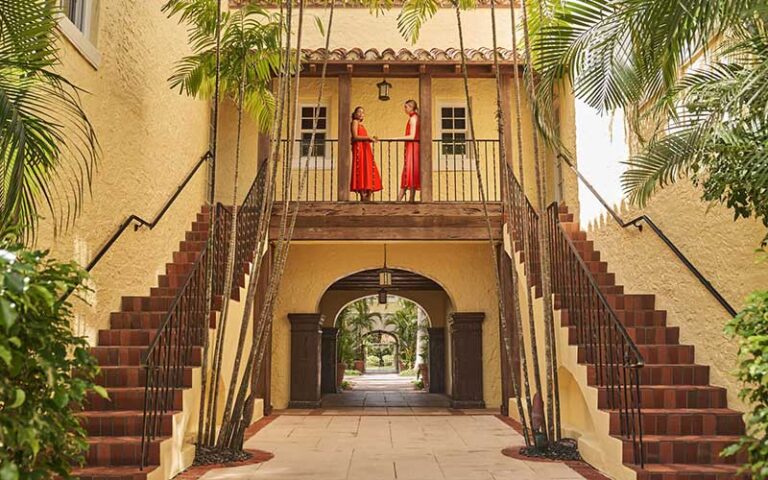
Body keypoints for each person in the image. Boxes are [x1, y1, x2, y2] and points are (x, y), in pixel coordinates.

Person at [350, 106, 382, 201]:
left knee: (368, 169)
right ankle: (363, 195)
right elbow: (355, 136)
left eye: (362, 112)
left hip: (365, 148)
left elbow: (363, 137)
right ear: (355, 114)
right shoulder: (355, 122)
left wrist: (371, 139)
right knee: (360, 168)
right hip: (359, 148)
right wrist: (368, 138)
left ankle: (367, 195)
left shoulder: (361, 125)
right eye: (359, 111)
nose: (361, 113)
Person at [397, 100, 420, 202]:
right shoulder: (416, 118)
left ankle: (399, 200)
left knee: (409, 170)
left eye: (406, 107)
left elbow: (412, 136)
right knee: (412, 171)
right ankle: (411, 199)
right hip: (414, 147)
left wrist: (396, 138)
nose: (405, 109)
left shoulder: (413, 118)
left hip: (412, 146)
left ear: (411, 107)